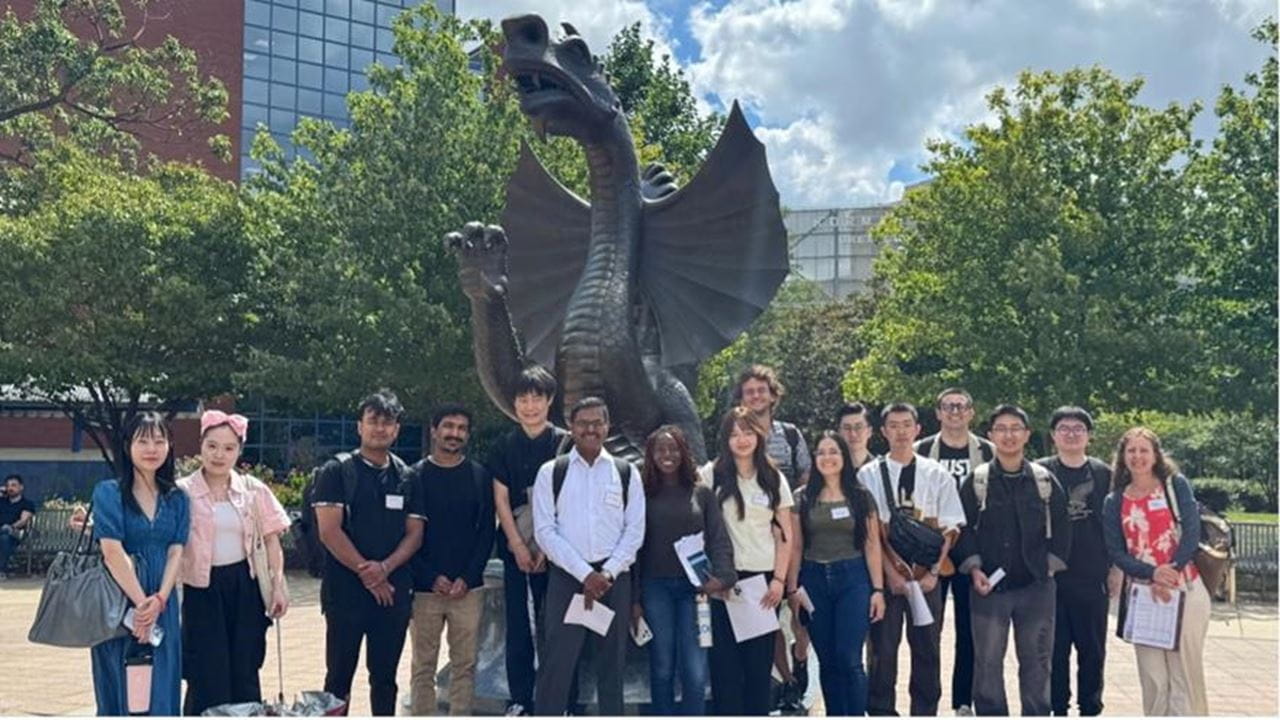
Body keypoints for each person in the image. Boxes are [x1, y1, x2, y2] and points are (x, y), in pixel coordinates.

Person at [953, 404, 1070, 716]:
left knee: (1037, 661)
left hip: (1037, 586)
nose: (1008, 435)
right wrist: (974, 568)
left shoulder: (1045, 480)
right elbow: (962, 528)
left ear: (1027, 435)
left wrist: (1049, 566)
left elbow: (1062, 527)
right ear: (990, 436)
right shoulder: (977, 481)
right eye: (1001, 429)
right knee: (988, 662)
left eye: (1015, 428)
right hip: (989, 588)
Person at [313, 390, 425, 716]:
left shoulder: (407, 476)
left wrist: (384, 569)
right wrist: (368, 572)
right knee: (338, 678)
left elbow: (415, 534)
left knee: (385, 678)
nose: (380, 428)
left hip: (392, 593)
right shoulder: (337, 471)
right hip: (345, 593)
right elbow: (329, 531)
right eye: (373, 421)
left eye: (387, 422)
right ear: (359, 427)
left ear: (397, 429)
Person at [532, 397, 645, 716]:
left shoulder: (626, 473)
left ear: (608, 427)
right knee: (557, 664)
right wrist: (585, 574)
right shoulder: (552, 472)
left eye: (597, 423)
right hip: (568, 580)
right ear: (572, 427)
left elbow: (635, 531)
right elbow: (545, 531)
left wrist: (606, 574)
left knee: (613, 664)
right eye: (583, 423)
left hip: (614, 581)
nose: (591, 429)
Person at [178, 411, 291, 715]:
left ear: (239, 451)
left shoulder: (253, 490)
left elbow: (271, 541)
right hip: (200, 589)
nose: (219, 455)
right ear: (200, 446)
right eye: (212, 446)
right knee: (206, 670)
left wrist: (277, 586)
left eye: (229, 448)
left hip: (245, 586)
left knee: (245, 666)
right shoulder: (182, 492)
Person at [861, 402, 965, 716]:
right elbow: (870, 531)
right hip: (887, 573)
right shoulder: (869, 474)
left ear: (918, 429)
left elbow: (949, 527)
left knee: (927, 649)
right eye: (893, 425)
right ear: (883, 432)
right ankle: (881, 710)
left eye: (907, 424)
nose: (901, 431)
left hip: (926, 575)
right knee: (882, 649)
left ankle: (925, 710)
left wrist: (933, 571)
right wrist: (888, 575)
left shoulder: (936, 473)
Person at [1102, 427, 1210, 716]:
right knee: (1153, 677)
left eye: (1144, 450)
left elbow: (1191, 532)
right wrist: (1152, 574)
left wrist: (1170, 572)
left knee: (1183, 672)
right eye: (1131, 451)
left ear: (1156, 455)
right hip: (1144, 596)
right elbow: (1116, 551)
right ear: (1122, 457)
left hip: (1184, 588)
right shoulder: (1114, 501)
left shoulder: (1175, 486)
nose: (1138, 457)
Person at [89, 411, 189, 716]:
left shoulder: (177, 497)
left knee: (160, 682)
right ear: (127, 445)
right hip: (119, 601)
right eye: (143, 441)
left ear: (170, 446)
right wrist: (141, 605)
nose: (152, 449)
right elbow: (112, 552)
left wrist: (158, 600)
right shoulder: (108, 492)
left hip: (163, 600)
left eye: (159, 441)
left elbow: (176, 551)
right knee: (123, 685)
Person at [632, 425, 736, 715]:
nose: (668, 455)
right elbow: (634, 548)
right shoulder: (641, 493)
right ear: (650, 455)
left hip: (697, 591)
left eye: (674, 448)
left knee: (694, 669)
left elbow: (717, 536)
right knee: (662, 665)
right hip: (656, 589)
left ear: (684, 452)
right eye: (661, 449)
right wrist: (634, 598)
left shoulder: (701, 492)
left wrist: (724, 576)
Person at [487, 365, 572, 716]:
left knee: (560, 629)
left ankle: (563, 701)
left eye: (537, 398)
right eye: (523, 398)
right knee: (519, 627)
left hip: (561, 550)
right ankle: (521, 699)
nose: (530, 406)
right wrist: (520, 547)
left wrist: (550, 549)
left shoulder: (565, 442)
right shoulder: (504, 445)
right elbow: (501, 500)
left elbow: (573, 499)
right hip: (517, 548)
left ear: (549, 400)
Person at [698, 406, 793, 716]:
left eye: (748, 432)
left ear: (759, 435)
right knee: (724, 669)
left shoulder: (773, 477)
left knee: (757, 668)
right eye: (734, 433)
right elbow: (695, 529)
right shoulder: (711, 475)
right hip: (724, 581)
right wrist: (709, 578)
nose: (741, 439)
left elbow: (785, 535)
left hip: (762, 585)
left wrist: (779, 581)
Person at [787, 431, 886, 715]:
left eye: (834, 451)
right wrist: (793, 589)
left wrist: (877, 590)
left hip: (853, 578)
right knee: (828, 660)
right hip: (814, 579)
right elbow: (796, 547)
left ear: (843, 457)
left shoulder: (861, 496)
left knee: (849, 658)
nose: (827, 458)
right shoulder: (802, 497)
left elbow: (871, 545)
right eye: (821, 452)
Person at [407, 404, 495, 716]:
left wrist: (467, 577)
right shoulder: (413, 476)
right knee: (423, 667)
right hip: (424, 590)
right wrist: (430, 576)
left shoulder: (479, 476)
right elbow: (405, 535)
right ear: (434, 430)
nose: (454, 433)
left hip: (467, 591)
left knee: (465, 665)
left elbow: (486, 532)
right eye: (448, 426)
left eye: (461, 428)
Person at [731, 365, 810, 710]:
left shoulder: (790, 434)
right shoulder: (733, 432)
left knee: (795, 604)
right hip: (751, 536)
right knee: (767, 616)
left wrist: (789, 509)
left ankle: (800, 661)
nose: (756, 396)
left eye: (761, 390)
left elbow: (807, 473)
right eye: (749, 391)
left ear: (773, 395)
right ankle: (785, 679)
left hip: (789, 527)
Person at [913, 387, 993, 716]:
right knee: (928, 632)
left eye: (962, 406)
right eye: (948, 407)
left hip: (973, 551)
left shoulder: (987, 451)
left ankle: (963, 702)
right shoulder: (921, 451)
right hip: (932, 551)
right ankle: (926, 703)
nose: (955, 412)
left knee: (969, 630)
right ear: (938, 413)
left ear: (972, 412)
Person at [1036, 407, 1114, 717]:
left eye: (1078, 428)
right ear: (1053, 435)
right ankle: (1057, 708)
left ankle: (1091, 708)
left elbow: (1114, 527)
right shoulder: (1039, 471)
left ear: (1088, 436)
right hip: (1050, 577)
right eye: (1064, 428)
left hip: (1092, 576)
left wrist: (1116, 569)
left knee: (1092, 650)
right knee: (1053, 650)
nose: (1071, 433)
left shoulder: (1103, 474)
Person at [0, 474, 36, 578]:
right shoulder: (2, 502)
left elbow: (23, 520)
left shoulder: (27, 504)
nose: (10, 488)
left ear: (21, 487)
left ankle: (1, 570)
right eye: (8, 486)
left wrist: (10, 527)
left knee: (4, 538)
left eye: (14, 485)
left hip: (16, 534)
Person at [837, 403, 877, 469]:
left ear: (869, 431)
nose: (853, 434)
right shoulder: (832, 470)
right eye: (847, 428)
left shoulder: (880, 470)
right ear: (839, 432)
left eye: (858, 427)